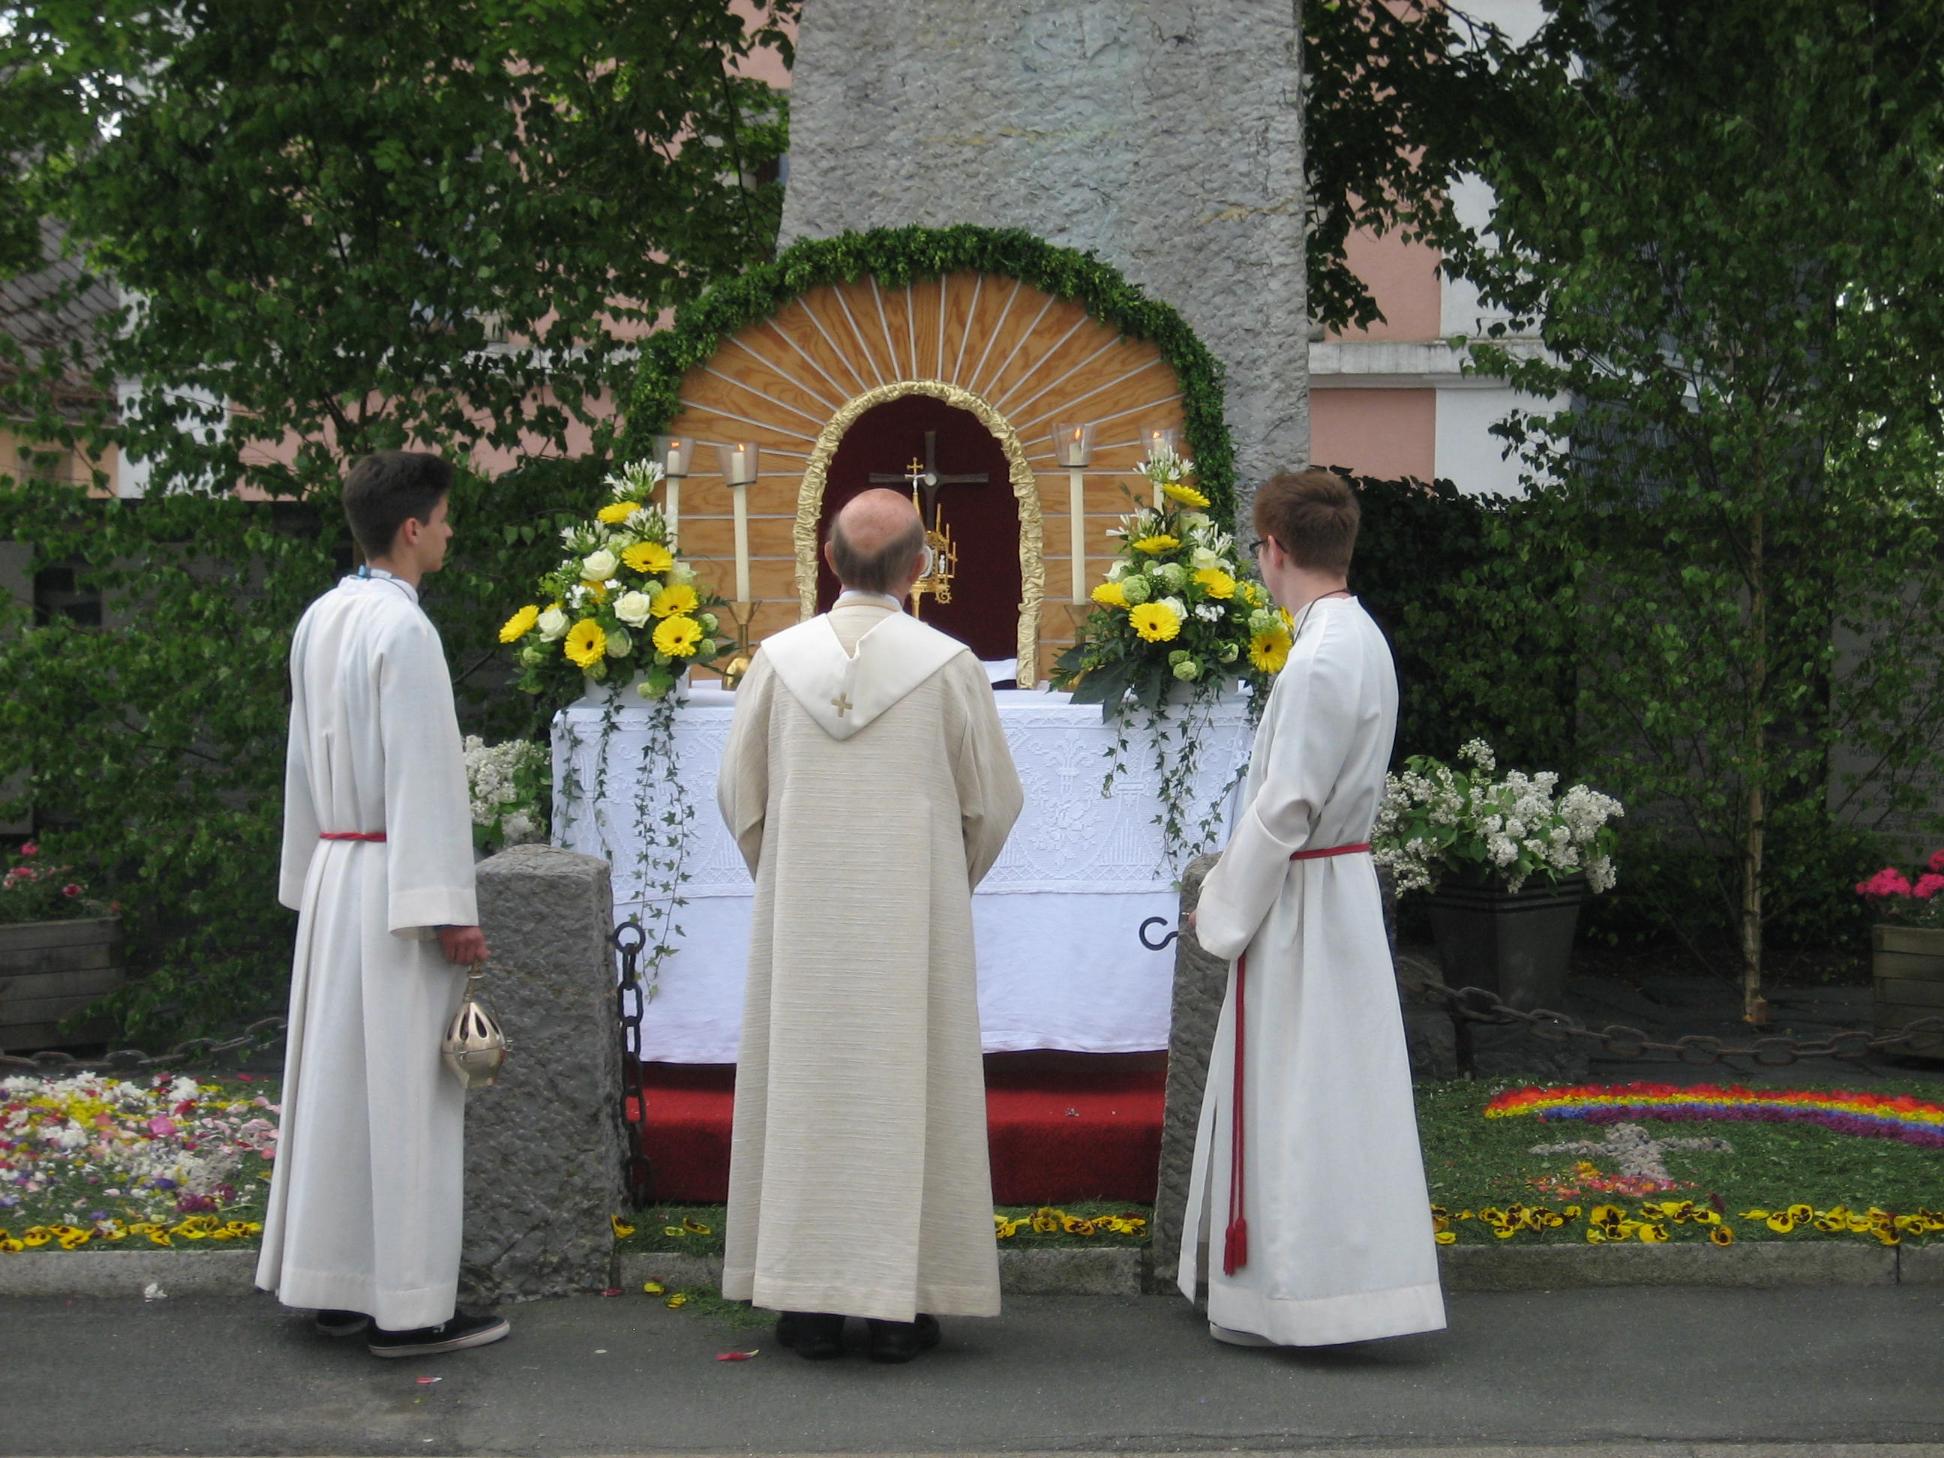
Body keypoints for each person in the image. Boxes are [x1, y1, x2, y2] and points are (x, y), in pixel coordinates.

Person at [717, 488, 1024, 1363]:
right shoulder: (950, 665)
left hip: (805, 922)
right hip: (911, 924)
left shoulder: (777, 662)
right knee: (905, 1092)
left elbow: (742, 799)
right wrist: (935, 883)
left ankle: (805, 1303)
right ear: (920, 568)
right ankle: (899, 1308)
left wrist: (791, 880)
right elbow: (991, 805)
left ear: (828, 558)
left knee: (812, 1095)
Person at [1177, 467, 1445, 1347]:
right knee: (1325, 1094)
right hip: (1328, 890)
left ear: (1277, 550)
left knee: (1303, 1099)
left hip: (1306, 896)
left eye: (1259, 548)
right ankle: (1306, 1289)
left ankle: (1301, 1298)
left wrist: (1222, 906)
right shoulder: (1348, 635)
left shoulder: (1325, 651)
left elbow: (1288, 802)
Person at [257, 450, 510, 1358]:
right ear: (412, 528)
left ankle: (336, 1286)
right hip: (398, 884)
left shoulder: (321, 618)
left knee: (337, 1091)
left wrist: (307, 881)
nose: (448, 532)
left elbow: (300, 766)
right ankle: (412, 1306)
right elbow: (425, 779)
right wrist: (453, 909)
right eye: (443, 519)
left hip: (338, 874)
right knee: (409, 1094)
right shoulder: (403, 633)